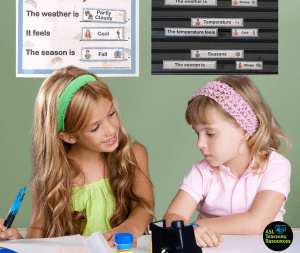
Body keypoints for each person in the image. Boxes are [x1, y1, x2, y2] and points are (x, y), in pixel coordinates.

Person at [0, 66, 154, 248]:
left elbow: (143, 207)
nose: (112, 129)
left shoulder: (133, 155)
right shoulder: (48, 180)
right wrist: (15, 239)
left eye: (111, 113)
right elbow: (36, 243)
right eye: (95, 127)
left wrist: (130, 227)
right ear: (68, 136)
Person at [163, 76, 291, 248]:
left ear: (245, 128)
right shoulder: (202, 171)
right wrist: (179, 226)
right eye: (197, 133)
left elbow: (256, 223)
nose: (199, 144)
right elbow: (173, 214)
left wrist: (193, 227)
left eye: (210, 133)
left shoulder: (275, 166)